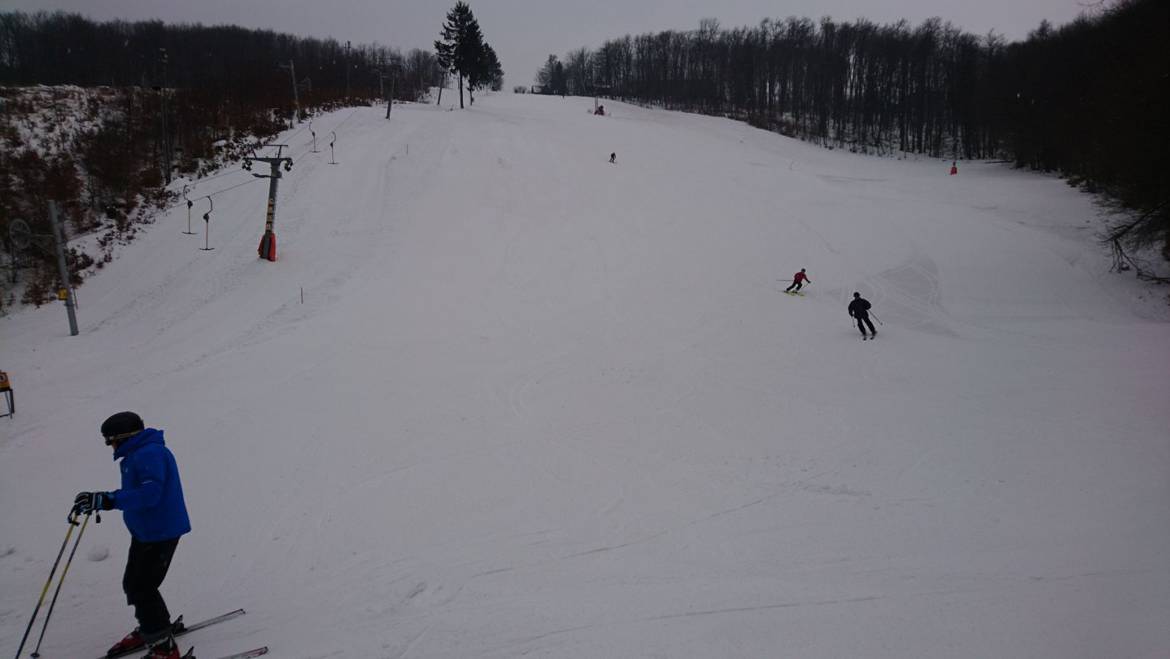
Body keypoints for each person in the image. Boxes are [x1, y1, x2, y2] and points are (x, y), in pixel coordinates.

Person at [72, 412, 191, 659]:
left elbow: (150, 494)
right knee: (136, 584)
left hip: (161, 532)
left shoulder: (149, 454)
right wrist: (102, 499)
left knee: (142, 587)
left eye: (110, 440)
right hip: (147, 532)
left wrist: (108, 500)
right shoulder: (138, 454)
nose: (110, 446)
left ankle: (163, 647)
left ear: (124, 437)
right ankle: (153, 627)